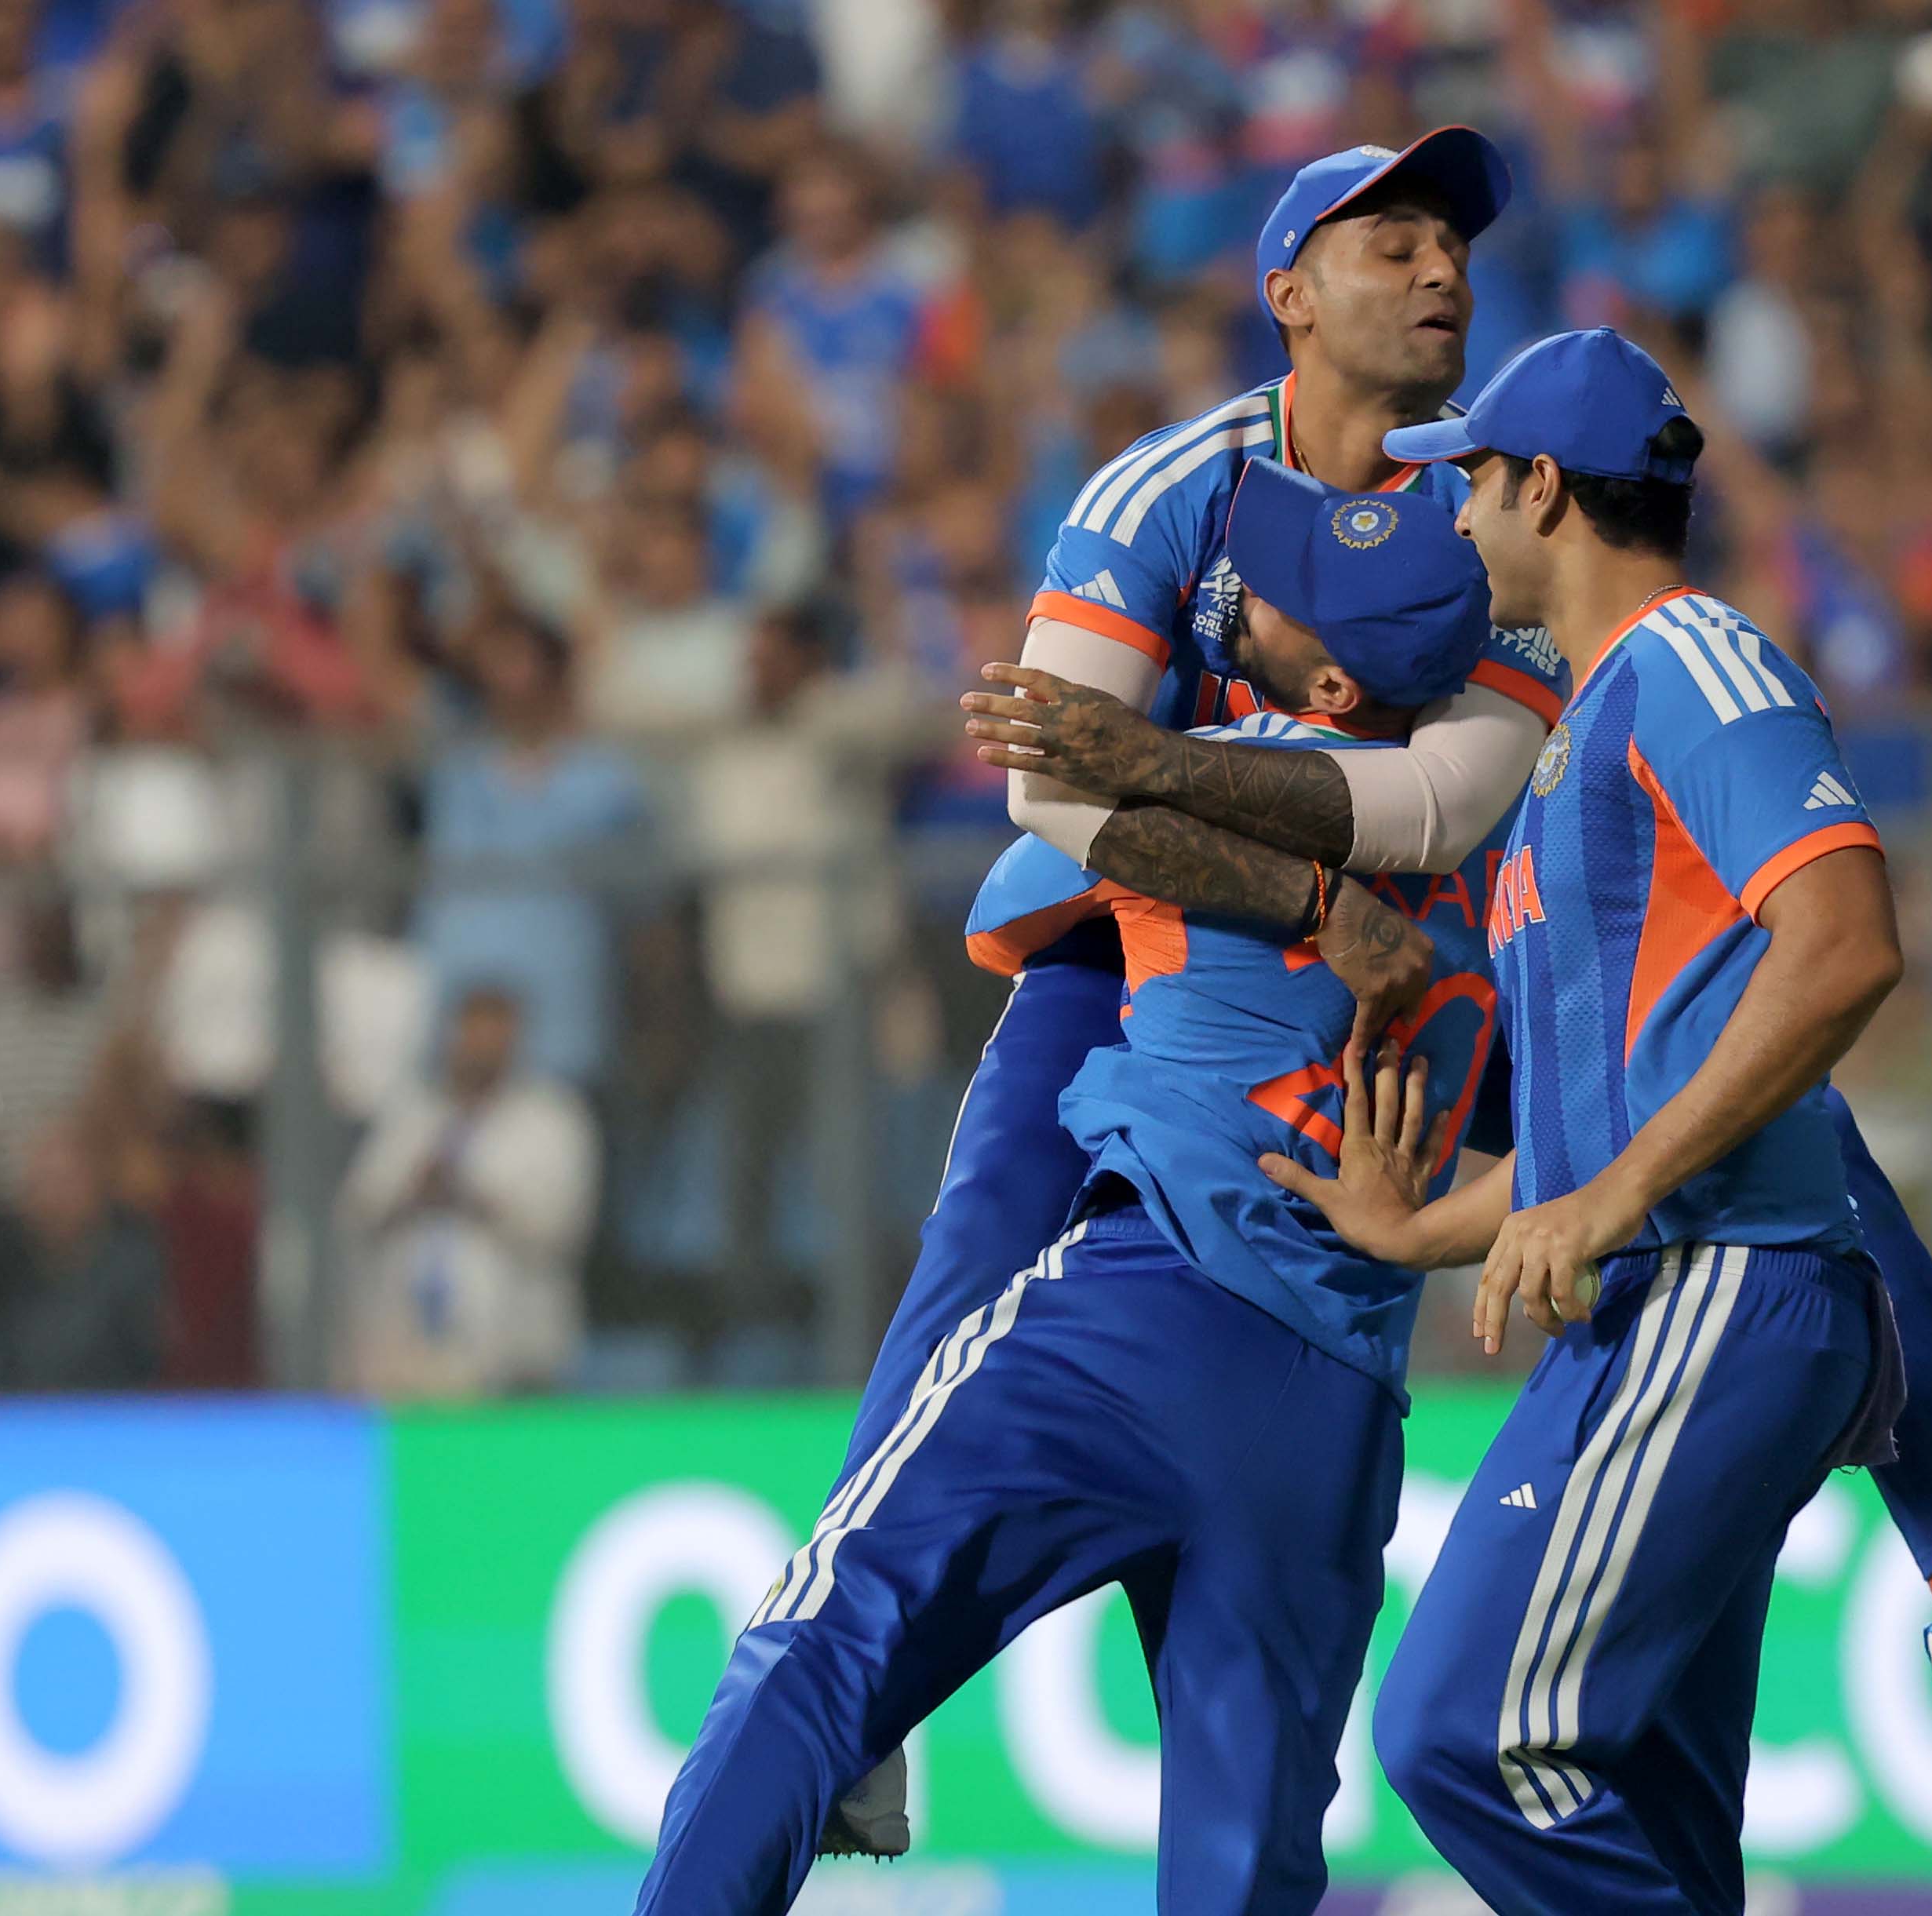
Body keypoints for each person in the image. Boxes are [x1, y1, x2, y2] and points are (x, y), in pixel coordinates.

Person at [1263, 330, 1932, 1912]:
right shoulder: (1597, 715)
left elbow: (1847, 943)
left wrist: (1608, 1196)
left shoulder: (1698, 662)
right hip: (1665, 1291)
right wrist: (1416, 1229)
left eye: (1475, 486)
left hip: (1714, 1292)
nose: (1456, 519)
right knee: (1640, 1795)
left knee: (1453, 1732)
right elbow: (1593, 1149)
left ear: (1548, 493)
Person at [635, 467, 1522, 1915]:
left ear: (1335, 676)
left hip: (1134, 1322)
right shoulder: (1492, 892)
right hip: (1338, 1401)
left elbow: (1022, 889)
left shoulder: (1204, 782)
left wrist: (1149, 769)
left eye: (1288, 589)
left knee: (823, 1640)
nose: (1248, 588)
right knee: (1242, 1870)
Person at [336, 982, 600, 1398]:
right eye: (472, 1034)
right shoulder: (412, 1112)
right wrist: (415, 1191)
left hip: (515, 1359)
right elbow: (358, 1210)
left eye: (494, 1037)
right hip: (407, 1358)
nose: (481, 1049)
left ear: (515, 1041)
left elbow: (564, 1228)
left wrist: (473, 1196)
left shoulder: (551, 1119)